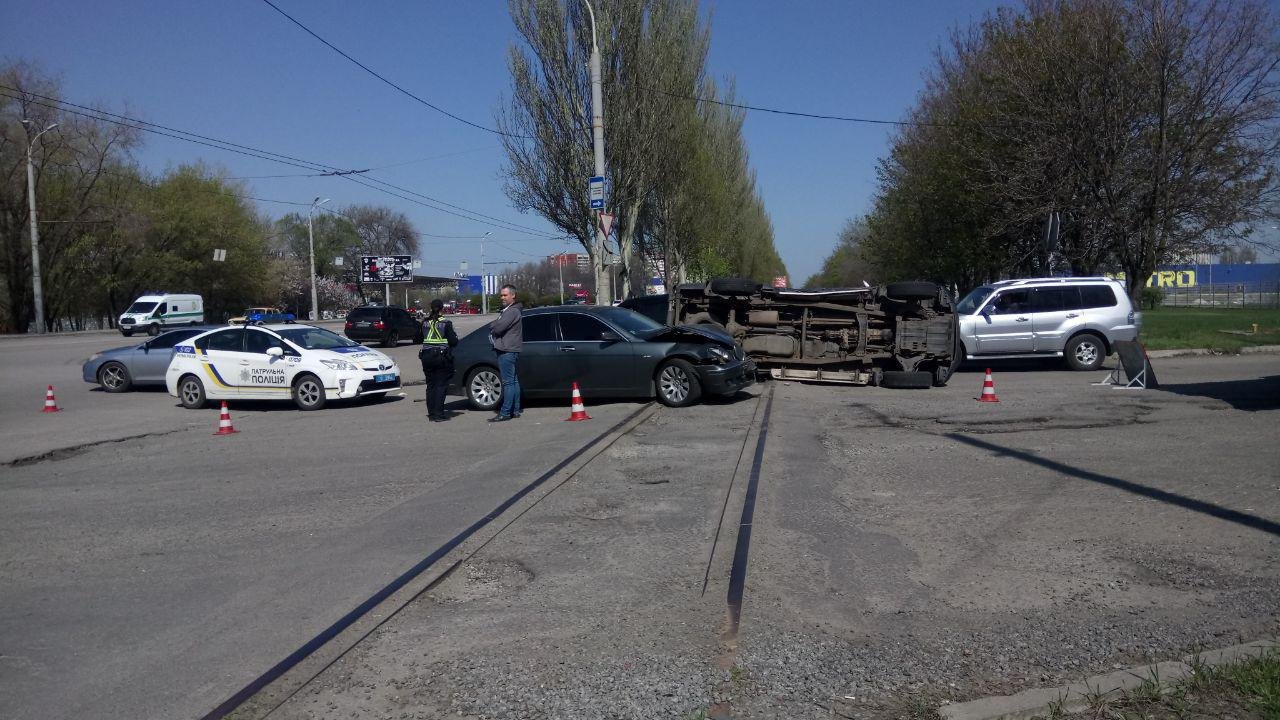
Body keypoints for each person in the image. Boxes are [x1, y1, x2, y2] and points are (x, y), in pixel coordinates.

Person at [419, 299, 459, 422]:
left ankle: (431, 414)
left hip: (426, 356)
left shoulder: (425, 322)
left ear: (431, 308)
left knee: (430, 385)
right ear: (442, 308)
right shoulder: (446, 323)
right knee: (441, 385)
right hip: (441, 357)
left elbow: (420, 337)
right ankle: (439, 414)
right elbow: (453, 342)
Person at [488, 284, 523, 422]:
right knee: (513, 381)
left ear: (513, 295)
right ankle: (515, 410)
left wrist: (493, 325)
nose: (502, 297)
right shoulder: (510, 310)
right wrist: (496, 323)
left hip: (506, 350)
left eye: (505, 295)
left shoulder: (511, 311)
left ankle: (505, 412)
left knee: (508, 383)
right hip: (511, 349)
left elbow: (498, 328)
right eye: (501, 295)